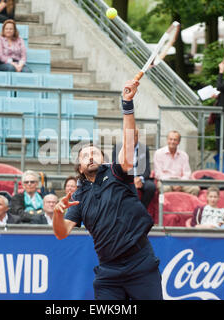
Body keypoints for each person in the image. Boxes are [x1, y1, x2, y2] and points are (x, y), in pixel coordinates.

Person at [52, 79, 163, 300]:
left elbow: (130, 142)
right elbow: (61, 232)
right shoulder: (79, 195)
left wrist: (127, 104)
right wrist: (57, 214)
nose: (90, 156)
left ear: (103, 159)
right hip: (108, 272)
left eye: (95, 152)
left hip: (140, 262)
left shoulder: (117, 172)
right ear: (80, 167)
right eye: (85, 155)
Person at [112, 127, 156, 209]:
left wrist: (140, 178)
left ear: (138, 136)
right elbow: (115, 167)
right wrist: (129, 179)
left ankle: (141, 209)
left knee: (151, 187)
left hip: (139, 178)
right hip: (124, 178)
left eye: (134, 135)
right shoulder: (118, 147)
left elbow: (147, 170)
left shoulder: (144, 148)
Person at [153, 130, 200, 196]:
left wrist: (180, 183)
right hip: (165, 181)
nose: (172, 142)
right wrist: (172, 183)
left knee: (195, 189)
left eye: (175, 140)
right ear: (167, 140)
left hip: (180, 181)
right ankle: (167, 206)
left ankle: (188, 206)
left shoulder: (184, 155)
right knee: (165, 189)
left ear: (178, 142)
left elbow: (187, 173)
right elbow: (158, 174)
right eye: (170, 139)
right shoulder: (159, 153)